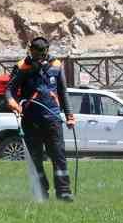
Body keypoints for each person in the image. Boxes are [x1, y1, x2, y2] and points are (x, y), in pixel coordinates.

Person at [5, 35, 76, 201]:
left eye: (39, 54)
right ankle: (41, 192)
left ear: (46, 52)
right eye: (33, 53)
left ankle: (64, 193)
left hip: (52, 119)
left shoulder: (56, 65)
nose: (36, 57)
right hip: (30, 120)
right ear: (30, 50)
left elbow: (63, 92)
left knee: (59, 157)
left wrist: (69, 116)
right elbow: (9, 90)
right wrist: (12, 103)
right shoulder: (22, 66)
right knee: (35, 159)